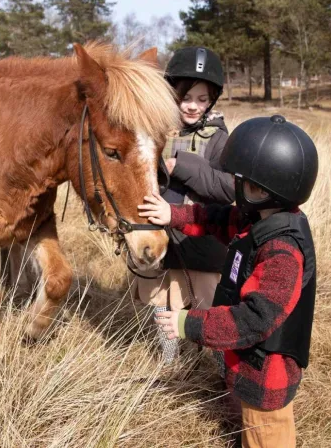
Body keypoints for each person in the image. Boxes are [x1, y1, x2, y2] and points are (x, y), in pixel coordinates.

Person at [139, 115, 319, 448]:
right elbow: (215, 218)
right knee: (249, 428)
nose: (235, 186)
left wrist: (187, 324)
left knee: (265, 434)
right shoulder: (260, 219)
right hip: (248, 366)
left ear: (263, 188)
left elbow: (252, 321)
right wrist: (173, 214)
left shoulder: (282, 252)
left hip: (265, 376)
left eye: (242, 181)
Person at [134, 47, 235, 363]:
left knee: (209, 308)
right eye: (186, 97)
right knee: (163, 301)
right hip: (160, 236)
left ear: (212, 101)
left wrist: (182, 166)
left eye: (202, 99)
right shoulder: (155, 131)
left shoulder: (219, 138)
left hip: (202, 239)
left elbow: (227, 188)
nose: (192, 106)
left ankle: (219, 366)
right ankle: (169, 357)